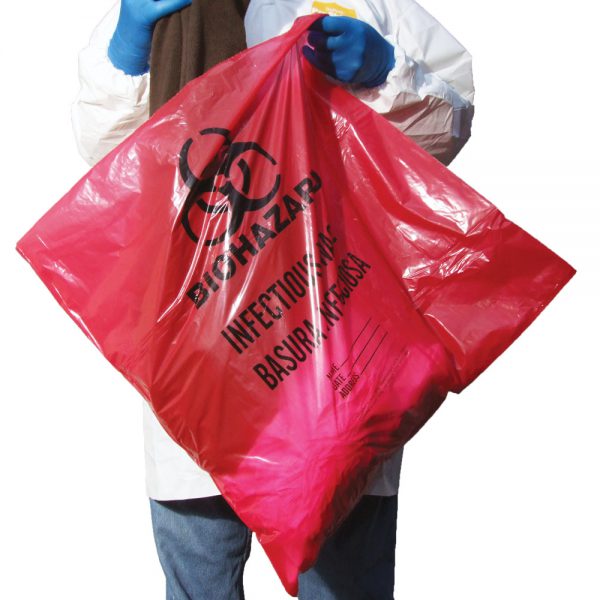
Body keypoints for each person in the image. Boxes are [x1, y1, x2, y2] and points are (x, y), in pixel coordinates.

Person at [72, 1, 474, 598]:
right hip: (201, 369)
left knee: (344, 586)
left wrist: (384, 71)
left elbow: (448, 128)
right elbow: (108, 158)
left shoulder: (364, 5)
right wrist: (129, 53)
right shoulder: (161, 10)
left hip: (334, 354)